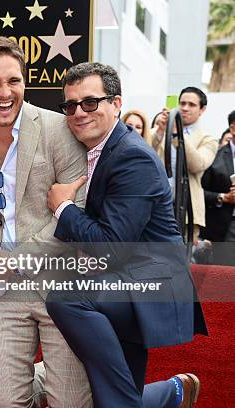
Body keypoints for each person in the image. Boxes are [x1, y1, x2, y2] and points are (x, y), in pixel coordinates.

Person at [46, 62, 208, 408]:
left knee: (66, 297)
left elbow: (111, 247)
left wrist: (63, 207)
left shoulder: (132, 156)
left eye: (90, 102)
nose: (78, 112)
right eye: (70, 105)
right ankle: (173, 392)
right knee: (125, 393)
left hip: (152, 286)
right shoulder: (102, 149)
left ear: (116, 104)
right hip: (123, 281)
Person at [0, 35, 92, 408]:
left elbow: (77, 207)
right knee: (5, 400)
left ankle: (49, 378)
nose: (5, 92)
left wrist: (15, 259)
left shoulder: (58, 129)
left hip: (61, 281)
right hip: (4, 292)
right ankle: (37, 380)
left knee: (70, 402)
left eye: (13, 80)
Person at [151, 87, 218, 243]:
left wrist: (176, 133)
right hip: (157, 207)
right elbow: (144, 154)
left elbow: (198, 164)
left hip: (187, 211)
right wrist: (161, 131)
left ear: (202, 110)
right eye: (182, 103)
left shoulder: (208, 139)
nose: (185, 108)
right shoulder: (160, 130)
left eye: (191, 104)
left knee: (183, 260)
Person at [200, 110, 235, 265]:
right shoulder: (214, 157)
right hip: (225, 228)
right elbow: (199, 193)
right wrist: (223, 197)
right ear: (233, 129)